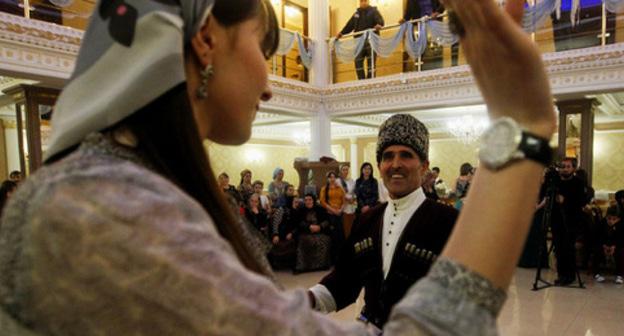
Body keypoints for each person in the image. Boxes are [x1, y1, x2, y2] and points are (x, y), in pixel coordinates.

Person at [0, 0, 560, 334]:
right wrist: (523, 127)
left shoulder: (110, 195)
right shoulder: (100, 214)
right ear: (205, 39)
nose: (269, 86)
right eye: (263, 50)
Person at [309, 114, 459, 328]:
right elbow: (343, 281)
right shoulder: (367, 220)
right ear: (379, 166)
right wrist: (306, 300)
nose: (395, 164)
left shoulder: (450, 222)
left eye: (406, 155)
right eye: (388, 156)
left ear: (424, 166)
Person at [551, 157, 586, 285]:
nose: (565, 169)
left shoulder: (579, 182)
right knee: (559, 248)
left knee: (568, 249)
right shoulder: (555, 182)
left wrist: (565, 200)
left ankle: (569, 276)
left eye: (568, 166)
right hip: (557, 220)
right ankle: (561, 275)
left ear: (573, 168)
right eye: (563, 166)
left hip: (572, 220)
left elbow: (582, 201)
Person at [336, 0, 384, 80]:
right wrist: (341, 33)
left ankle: (370, 80)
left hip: (370, 40)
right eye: (362, 1)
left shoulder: (374, 11)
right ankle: (361, 80)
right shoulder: (356, 14)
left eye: (365, 1)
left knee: (371, 62)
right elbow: (349, 25)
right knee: (358, 62)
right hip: (358, 41)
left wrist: (379, 24)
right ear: (360, 2)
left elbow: (380, 21)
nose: (363, 3)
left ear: (368, 2)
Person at [294, 194, 333, 273]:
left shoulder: (320, 209)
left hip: (320, 231)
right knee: (303, 241)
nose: (308, 202)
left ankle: (321, 265)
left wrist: (320, 227)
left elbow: (327, 221)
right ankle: (302, 267)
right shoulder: (301, 210)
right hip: (306, 232)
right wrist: (309, 227)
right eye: (306, 200)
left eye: (310, 200)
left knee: (324, 240)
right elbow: (298, 222)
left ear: (313, 200)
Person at [269, 184, 298, 270]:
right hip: (281, 232)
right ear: (285, 191)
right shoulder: (282, 208)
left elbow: (297, 224)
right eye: (289, 190)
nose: (291, 191)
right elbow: (275, 223)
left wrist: (292, 233)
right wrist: (275, 234)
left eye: (293, 190)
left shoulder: (297, 209)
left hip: (292, 232)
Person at [592, 206, 624, 284]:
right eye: (609, 218)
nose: (611, 221)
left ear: (618, 219)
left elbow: (621, 238)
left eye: (614, 219)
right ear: (606, 217)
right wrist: (604, 246)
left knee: (620, 252)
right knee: (597, 250)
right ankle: (596, 273)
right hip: (603, 244)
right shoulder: (601, 223)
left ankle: (619, 274)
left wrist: (614, 246)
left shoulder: (621, 225)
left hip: (616, 245)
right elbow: (596, 237)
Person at [320, 171, 346, 263]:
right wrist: (333, 210)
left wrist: (340, 210)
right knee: (333, 236)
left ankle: (342, 258)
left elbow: (344, 200)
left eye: (333, 177)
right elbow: (323, 202)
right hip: (330, 214)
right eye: (330, 177)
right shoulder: (324, 189)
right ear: (327, 179)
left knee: (341, 235)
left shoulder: (339, 188)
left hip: (339, 214)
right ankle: (333, 259)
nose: (332, 179)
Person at [337, 163, 357, 238]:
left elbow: (355, 191)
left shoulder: (351, 180)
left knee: (352, 226)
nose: (345, 171)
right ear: (340, 171)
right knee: (345, 228)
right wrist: (349, 198)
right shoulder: (338, 181)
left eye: (347, 170)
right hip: (343, 207)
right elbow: (341, 193)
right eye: (343, 170)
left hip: (352, 206)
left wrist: (354, 198)